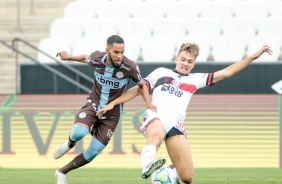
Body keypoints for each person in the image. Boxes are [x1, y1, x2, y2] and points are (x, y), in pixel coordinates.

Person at [96, 43, 272, 184]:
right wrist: (113, 103)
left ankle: (167, 174)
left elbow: (227, 73)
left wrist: (254, 56)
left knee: (187, 177)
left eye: (189, 61)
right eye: (183, 59)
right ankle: (147, 165)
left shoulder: (196, 79)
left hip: (175, 123)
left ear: (193, 64)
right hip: (156, 115)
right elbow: (137, 89)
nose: (185, 63)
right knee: (155, 137)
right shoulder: (161, 73)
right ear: (177, 58)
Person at [52, 35, 158, 184]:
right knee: (79, 132)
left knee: (93, 151)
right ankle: (70, 143)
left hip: (112, 113)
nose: (119, 56)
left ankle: (61, 172)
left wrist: (148, 103)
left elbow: (142, 86)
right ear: (107, 50)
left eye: (122, 52)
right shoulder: (97, 58)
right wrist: (68, 57)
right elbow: (85, 58)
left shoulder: (130, 67)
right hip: (94, 103)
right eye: (116, 52)